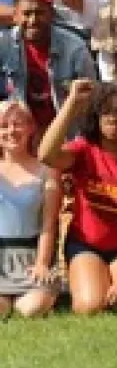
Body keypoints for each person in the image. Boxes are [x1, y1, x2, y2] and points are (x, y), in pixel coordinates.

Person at [37, 79, 117, 314]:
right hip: (86, 246)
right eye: (105, 112)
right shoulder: (83, 151)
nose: (112, 118)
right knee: (89, 306)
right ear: (95, 117)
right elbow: (46, 155)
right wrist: (72, 103)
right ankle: (92, 275)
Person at [0, 0, 97, 133]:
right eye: (26, 14)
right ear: (16, 16)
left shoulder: (75, 47)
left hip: (66, 132)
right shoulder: (4, 44)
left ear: (52, 14)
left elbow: (91, 97)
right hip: (20, 133)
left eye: (39, 13)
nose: (33, 21)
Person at [0, 100, 61, 318]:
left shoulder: (47, 171)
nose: (11, 131)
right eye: (4, 125)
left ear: (31, 127)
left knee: (32, 309)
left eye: (18, 124)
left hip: (31, 255)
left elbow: (48, 224)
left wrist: (42, 263)